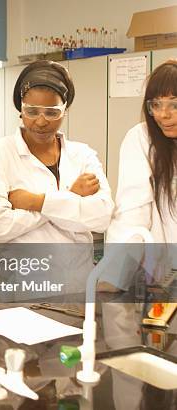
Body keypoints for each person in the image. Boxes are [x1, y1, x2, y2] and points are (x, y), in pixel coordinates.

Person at [0, 60, 113, 244]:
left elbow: (102, 218)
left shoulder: (83, 155)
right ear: (21, 109)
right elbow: (0, 227)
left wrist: (36, 202)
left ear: (65, 111)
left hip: (79, 272)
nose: (41, 122)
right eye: (32, 111)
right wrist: (71, 198)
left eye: (51, 113)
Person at [103, 60, 177, 289]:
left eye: (174, 104)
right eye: (156, 104)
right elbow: (132, 214)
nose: (163, 114)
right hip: (166, 279)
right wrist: (112, 276)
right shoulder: (142, 139)